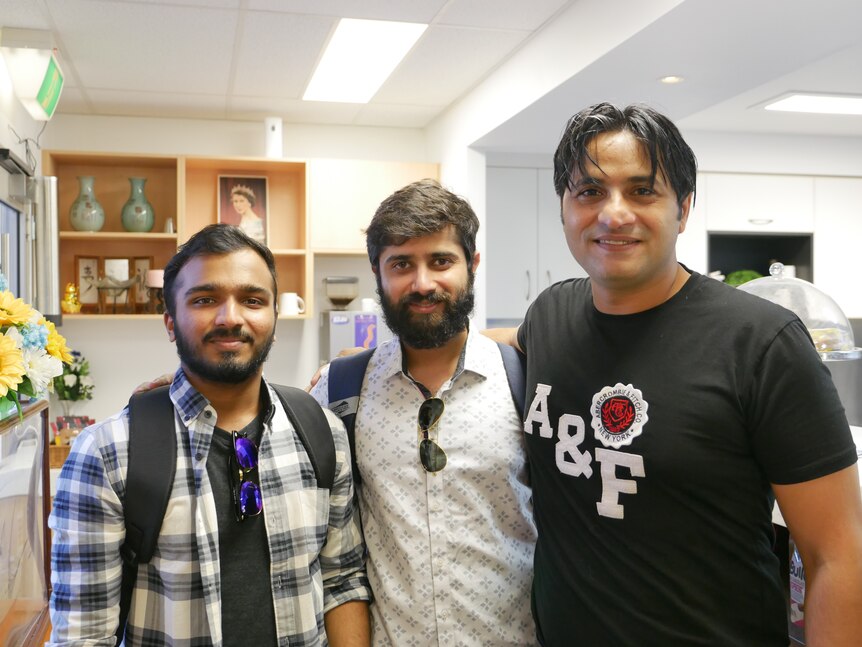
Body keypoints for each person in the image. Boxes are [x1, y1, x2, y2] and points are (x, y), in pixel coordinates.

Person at [486, 102, 862, 646]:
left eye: (642, 191)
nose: (613, 214)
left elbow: (837, 556)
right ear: (564, 208)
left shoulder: (761, 344)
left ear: (683, 209)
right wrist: (366, 364)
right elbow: (496, 346)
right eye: (589, 192)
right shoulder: (550, 316)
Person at [48, 224, 371, 647]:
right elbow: (83, 636)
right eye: (205, 299)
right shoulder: (107, 453)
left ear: (274, 317)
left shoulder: (322, 432)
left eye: (252, 300)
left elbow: (342, 579)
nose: (230, 317)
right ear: (170, 321)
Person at [309, 179, 537, 646]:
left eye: (440, 261)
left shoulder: (527, 380)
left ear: (471, 266)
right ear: (378, 273)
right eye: (401, 264)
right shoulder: (341, 390)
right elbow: (264, 427)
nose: (422, 283)